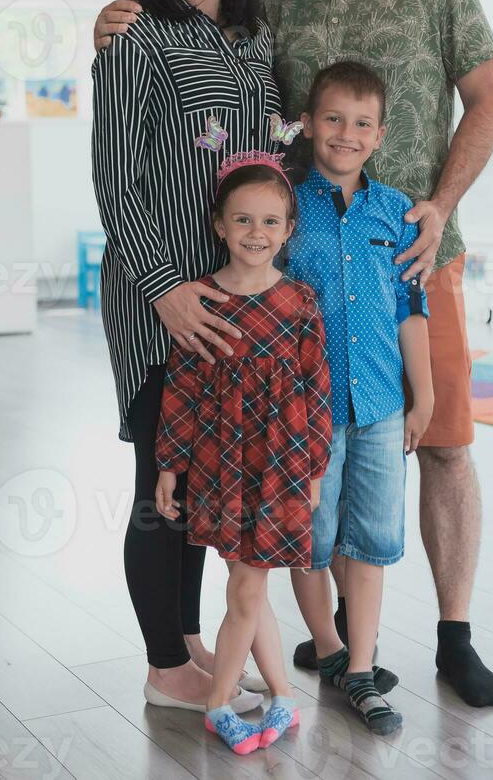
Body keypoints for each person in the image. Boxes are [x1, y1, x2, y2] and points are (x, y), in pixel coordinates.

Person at [92, 0, 493, 708]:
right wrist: (165, 285)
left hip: (367, 263)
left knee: (415, 450)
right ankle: (223, 656)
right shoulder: (207, 18)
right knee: (204, 467)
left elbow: (483, 98)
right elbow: (123, 169)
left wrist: (438, 205)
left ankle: (439, 636)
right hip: (224, 284)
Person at [91, 0, 284, 714]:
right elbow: (115, 179)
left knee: (205, 480)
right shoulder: (135, 38)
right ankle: (164, 666)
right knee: (158, 485)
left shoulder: (254, 38)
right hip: (156, 294)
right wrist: (167, 287)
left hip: (232, 295)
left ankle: (194, 640)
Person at [154, 153, 331, 753]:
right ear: (220, 225)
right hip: (222, 465)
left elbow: (317, 389)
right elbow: (181, 386)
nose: (257, 234)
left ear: (288, 229)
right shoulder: (199, 298)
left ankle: (245, 701)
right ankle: (251, 700)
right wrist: (170, 465)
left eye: (271, 222)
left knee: (248, 590)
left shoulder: (299, 301)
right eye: (244, 220)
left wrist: (313, 467)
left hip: (280, 463)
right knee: (247, 590)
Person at [283, 60, 432, 735]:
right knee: (311, 538)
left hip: (378, 405)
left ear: (379, 134)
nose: (346, 133)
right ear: (310, 123)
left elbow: (409, 307)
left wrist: (421, 394)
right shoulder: (286, 205)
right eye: (334, 119)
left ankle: (364, 671)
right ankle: (332, 650)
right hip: (304, 408)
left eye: (361, 123)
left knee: (370, 539)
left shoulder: (397, 212)